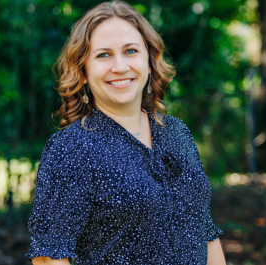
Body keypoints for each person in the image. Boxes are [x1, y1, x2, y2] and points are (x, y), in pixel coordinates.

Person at [24, 0, 225, 264]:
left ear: (150, 60)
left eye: (130, 51)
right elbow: (48, 258)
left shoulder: (177, 133)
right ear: (83, 71)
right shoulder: (72, 148)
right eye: (103, 55)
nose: (119, 66)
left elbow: (206, 231)